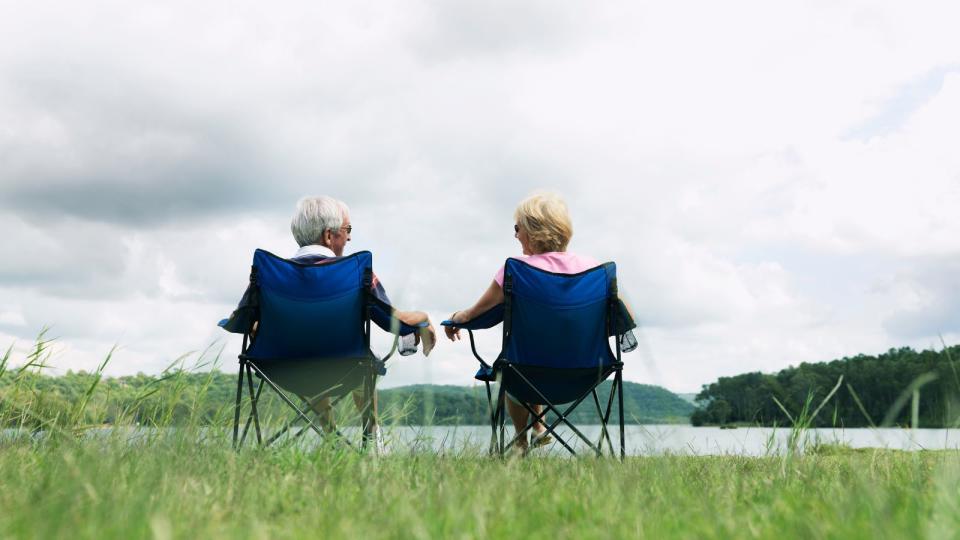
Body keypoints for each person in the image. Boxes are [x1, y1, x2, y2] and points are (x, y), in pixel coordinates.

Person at [444, 192, 603, 452]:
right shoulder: (594, 269)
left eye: (517, 228)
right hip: (585, 373)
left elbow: (476, 313)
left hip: (526, 370)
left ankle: (520, 441)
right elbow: (622, 317)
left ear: (533, 230)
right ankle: (538, 428)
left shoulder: (517, 269)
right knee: (532, 355)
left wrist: (454, 319)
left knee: (515, 368)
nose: (516, 235)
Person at [288, 195, 436, 447]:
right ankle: (372, 437)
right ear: (327, 236)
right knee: (362, 362)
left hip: (283, 369)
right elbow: (394, 322)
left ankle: (331, 438)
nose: (349, 238)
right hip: (346, 368)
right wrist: (423, 318)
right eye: (347, 231)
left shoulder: (270, 271)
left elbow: (242, 322)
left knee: (309, 353)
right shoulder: (356, 272)